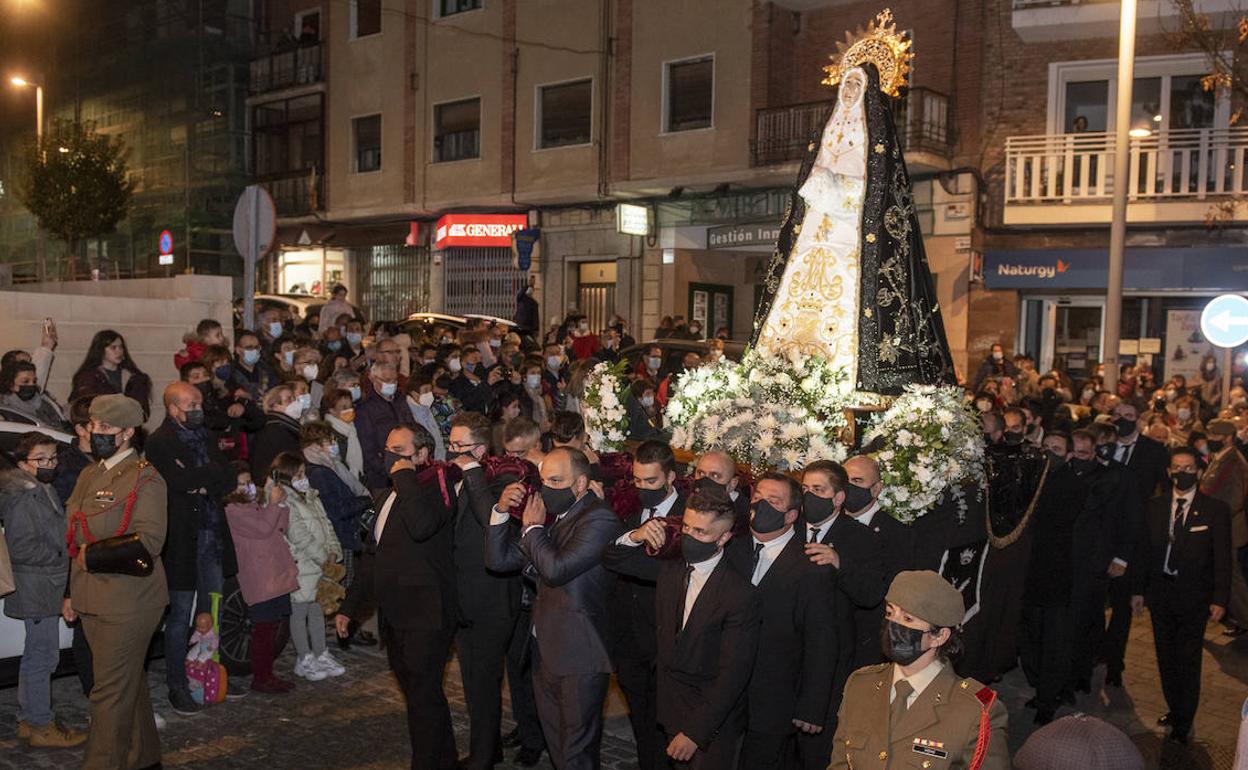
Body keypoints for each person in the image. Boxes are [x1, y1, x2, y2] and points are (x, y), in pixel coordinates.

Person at [485, 447, 625, 770]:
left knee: (576, 752)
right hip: (545, 649)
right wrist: (500, 511)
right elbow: (499, 560)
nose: (547, 488)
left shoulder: (598, 519)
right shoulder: (554, 518)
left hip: (579, 653)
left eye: (556, 480)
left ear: (579, 484)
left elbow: (556, 569)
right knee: (558, 746)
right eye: (544, 479)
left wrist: (533, 530)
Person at [336, 425, 460, 770]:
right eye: (388, 450)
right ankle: (444, 760)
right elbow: (373, 556)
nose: (391, 458)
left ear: (422, 455)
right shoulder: (387, 496)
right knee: (422, 697)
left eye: (399, 451)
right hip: (396, 614)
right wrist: (350, 607)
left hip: (427, 612)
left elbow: (422, 526)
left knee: (423, 696)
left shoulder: (438, 486)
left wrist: (405, 475)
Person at [65, 395, 168, 770]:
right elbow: (74, 535)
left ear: (127, 433)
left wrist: (90, 557)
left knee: (107, 694)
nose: (98, 433)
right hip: (92, 597)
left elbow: (150, 542)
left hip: (129, 600)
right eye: (94, 425)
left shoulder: (146, 478)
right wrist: (71, 591)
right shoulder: (89, 474)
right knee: (128, 684)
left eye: (106, 427)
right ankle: (142, 757)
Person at [828, 570, 1009, 770]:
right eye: (890, 613)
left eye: (908, 619)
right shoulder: (860, 685)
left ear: (939, 636)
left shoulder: (974, 711)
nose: (892, 626)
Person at [726, 472, 837, 770]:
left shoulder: (811, 567)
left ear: (791, 515)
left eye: (773, 501)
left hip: (776, 699)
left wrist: (813, 706)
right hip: (725, 695)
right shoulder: (730, 550)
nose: (761, 505)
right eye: (758, 498)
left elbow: (821, 642)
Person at [145, 381, 241, 714]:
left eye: (199, 402)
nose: (198, 409)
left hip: (212, 537)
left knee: (211, 611)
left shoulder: (206, 436)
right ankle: (178, 684)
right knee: (180, 616)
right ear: (172, 408)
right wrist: (205, 478)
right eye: (190, 404)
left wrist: (201, 480)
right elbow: (176, 482)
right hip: (182, 541)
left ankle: (209, 671)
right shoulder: (159, 442)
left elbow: (228, 477)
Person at [1131, 447, 1231, 744]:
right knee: (1165, 656)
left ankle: (1184, 719)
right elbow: (1143, 552)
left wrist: (1220, 598)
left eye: (1188, 468)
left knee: (1188, 659)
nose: (1182, 472)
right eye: (1177, 467)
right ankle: (1175, 708)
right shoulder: (1155, 506)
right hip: (1161, 594)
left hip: (1195, 597)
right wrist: (1138, 590)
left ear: (1198, 472)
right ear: (1168, 471)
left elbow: (1223, 558)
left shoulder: (1214, 510)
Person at [654, 488, 759, 769]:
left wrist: (694, 732)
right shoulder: (671, 570)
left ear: (723, 538)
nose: (689, 536)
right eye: (686, 527)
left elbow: (733, 674)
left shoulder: (739, 595)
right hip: (670, 707)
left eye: (700, 532)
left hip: (711, 725)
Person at [603, 440, 686, 770]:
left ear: (670, 477)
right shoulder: (630, 511)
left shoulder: (688, 516)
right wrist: (633, 537)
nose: (642, 488)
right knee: (640, 720)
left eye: (650, 481)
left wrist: (623, 559)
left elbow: (662, 573)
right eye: (637, 480)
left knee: (668, 724)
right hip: (629, 637)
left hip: (668, 638)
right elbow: (607, 557)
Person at [0, 432, 86, 748]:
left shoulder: (41, 489)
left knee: (37, 655)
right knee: (43, 656)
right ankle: (40, 724)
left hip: (44, 583)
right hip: (36, 586)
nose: (49, 464)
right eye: (41, 459)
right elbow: (21, 548)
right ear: (23, 464)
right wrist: (63, 555)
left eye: (52, 458)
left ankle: (29, 718)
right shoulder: (23, 498)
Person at [449, 413, 521, 770]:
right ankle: (487, 748)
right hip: (463, 597)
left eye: (459, 446)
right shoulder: (457, 477)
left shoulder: (500, 478)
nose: (452, 452)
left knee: (484, 681)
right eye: (450, 444)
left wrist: (472, 470)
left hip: (492, 600)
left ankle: (482, 760)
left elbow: (488, 516)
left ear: (479, 449)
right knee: (472, 681)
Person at [799, 459, 886, 745]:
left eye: (818, 489)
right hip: (786, 652)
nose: (810, 496)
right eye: (805, 488)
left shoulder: (860, 537)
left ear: (838, 498)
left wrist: (839, 563)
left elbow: (871, 594)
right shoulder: (789, 526)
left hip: (832, 658)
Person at [1101, 401, 1171, 686]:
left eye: (1129, 416)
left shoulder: (1154, 451)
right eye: (1118, 415)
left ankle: (1115, 664)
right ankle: (1095, 653)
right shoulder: (1103, 445)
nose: (1123, 420)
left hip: (1134, 539)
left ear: (1139, 421)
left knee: (1121, 607)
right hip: (1101, 537)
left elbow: (1163, 493)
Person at [222, 464, 298, 693]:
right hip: (259, 575)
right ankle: (262, 676)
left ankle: (267, 673)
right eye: (242, 483)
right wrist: (273, 505)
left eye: (250, 482)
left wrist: (280, 504)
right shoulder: (233, 510)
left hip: (274, 571)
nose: (249, 487)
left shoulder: (253, 505)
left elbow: (279, 527)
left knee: (272, 626)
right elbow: (262, 529)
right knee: (263, 628)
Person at [270, 451, 346, 681]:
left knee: (317, 610)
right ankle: (304, 657)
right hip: (301, 565)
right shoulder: (287, 502)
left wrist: (333, 551)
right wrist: (323, 557)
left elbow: (326, 525)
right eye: (299, 474)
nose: (304, 478)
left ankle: (321, 652)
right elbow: (299, 535)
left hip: (320, 565)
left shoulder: (312, 497)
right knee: (299, 611)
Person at [842, 454, 913, 666]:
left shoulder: (896, 533)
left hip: (869, 638)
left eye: (857, 481)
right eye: (845, 481)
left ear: (876, 489)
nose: (849, 487)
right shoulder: (829, 524)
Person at [1199, 419, 1248, 636]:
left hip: (1227, 528)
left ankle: (1245, 618)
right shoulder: (1221, 457)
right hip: (1220, 526)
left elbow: (1235, 499)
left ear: (1227, 437)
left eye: (1215, 436)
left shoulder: (1233, 461)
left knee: (1231, 577)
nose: (1210, 439)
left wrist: (1214, 518)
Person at [357, 362, 417, 489]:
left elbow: (413, 428)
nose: (392, 384)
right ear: (373, 379)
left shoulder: (400, 400)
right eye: (387, 380)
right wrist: (389, 471)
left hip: (409, 465)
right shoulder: (366, 409)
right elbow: (368, 449)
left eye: (395, 380)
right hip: (384, 476)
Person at [70, 330, 153, 418]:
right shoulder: (87, 378)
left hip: (130, 427)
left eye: (121, 347)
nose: (119, 351)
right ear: (100, 350)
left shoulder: (135, 378)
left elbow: (143, 410)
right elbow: (85, 408)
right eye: (113, 347)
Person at [250, 384, 304, 481]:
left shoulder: (286, 426)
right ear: (275, 406)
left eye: (294, 399)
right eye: (289, 400)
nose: (294, 403)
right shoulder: (275, 431)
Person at [0, 360, 68, 429]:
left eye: (34, 381)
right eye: (25, 381)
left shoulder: (45, 402)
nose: (31, 384)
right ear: (11, 385)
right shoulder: (5, 409)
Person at [323, 387, 365, 482]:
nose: (349, 410)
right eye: (344, 407)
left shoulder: (353, 427)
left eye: (351, 406)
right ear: (332, 410)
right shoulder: (328, 433)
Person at [405, 373, 448, 461]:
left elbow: (438, 438)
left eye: (430, 390)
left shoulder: (426, 408)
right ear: (414, 393)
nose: (429, 394)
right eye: (425, 391)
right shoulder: (407, 412)